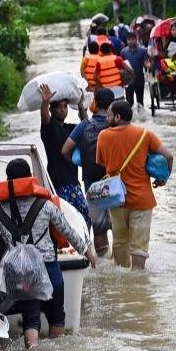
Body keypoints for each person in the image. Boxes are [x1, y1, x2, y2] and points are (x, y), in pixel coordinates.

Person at [0, 159, 97, 349]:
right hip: (48, 267)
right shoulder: (45, 205)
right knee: (57, 316)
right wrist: (87, 251)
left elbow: (6, 244)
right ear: (30, 178)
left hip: (20, 273)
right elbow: (67, 231)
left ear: (8, 181)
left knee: (30, 318)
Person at [95, 101, 174, 270]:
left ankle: (124, 287)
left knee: (120, 242)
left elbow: (102, 163)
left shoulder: (103, 136)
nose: (106, 117)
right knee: (139, 247)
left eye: (109, 114)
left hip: (117, 199)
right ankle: (138, 286)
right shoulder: (146, 134)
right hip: (142, 200)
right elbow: (169, 156)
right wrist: (164, 178)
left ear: (117, 117)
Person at [61, 89, 115, 256]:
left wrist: (80, 162)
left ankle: (103, 265)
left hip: (92, 183)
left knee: (99, 230)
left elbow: (65, 150)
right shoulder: (116, 125)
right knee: (120, 227)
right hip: (116, 182)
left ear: (95, 104)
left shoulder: (84, 126)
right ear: (112, 106)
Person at [38, 83, 89, 226]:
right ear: (52, 110)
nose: (62, 110)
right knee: (60, 222)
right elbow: (45, 118)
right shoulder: (49, 128)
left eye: (65, 106)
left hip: (73, 182)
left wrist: (80, 105)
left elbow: (87, 127)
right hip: (57, 183)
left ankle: (83, 246)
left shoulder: (71, 128)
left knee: (85, 216)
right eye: (58, 107)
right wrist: (45, 101)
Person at [120, 31, 151, 108]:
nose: (131, 41)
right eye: (129, 39)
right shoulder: (123, 52)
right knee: (129, 102)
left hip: (139, 79)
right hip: (128, 80)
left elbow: (145, 62)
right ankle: (130, 118)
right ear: (127, 41)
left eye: (132, 39)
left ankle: (141, 118)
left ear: (136, 39)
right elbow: (121, 66)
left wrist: (149, 65)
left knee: (140, 101)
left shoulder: (143, 51)